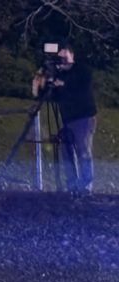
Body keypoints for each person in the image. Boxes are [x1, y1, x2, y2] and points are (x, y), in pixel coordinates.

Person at [32, 43, 97, 192]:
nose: (61, 56)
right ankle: (72, 184)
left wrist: (62, 83)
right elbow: (49, 95)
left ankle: (86, 186)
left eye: (64, 52)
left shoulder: (82, 70)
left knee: (83, 151)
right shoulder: (59, 75)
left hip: (84, 117)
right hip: (68, 119)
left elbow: (80, 87)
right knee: (66, 151)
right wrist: (41, 83)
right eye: (59, 54)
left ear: (72, 54)